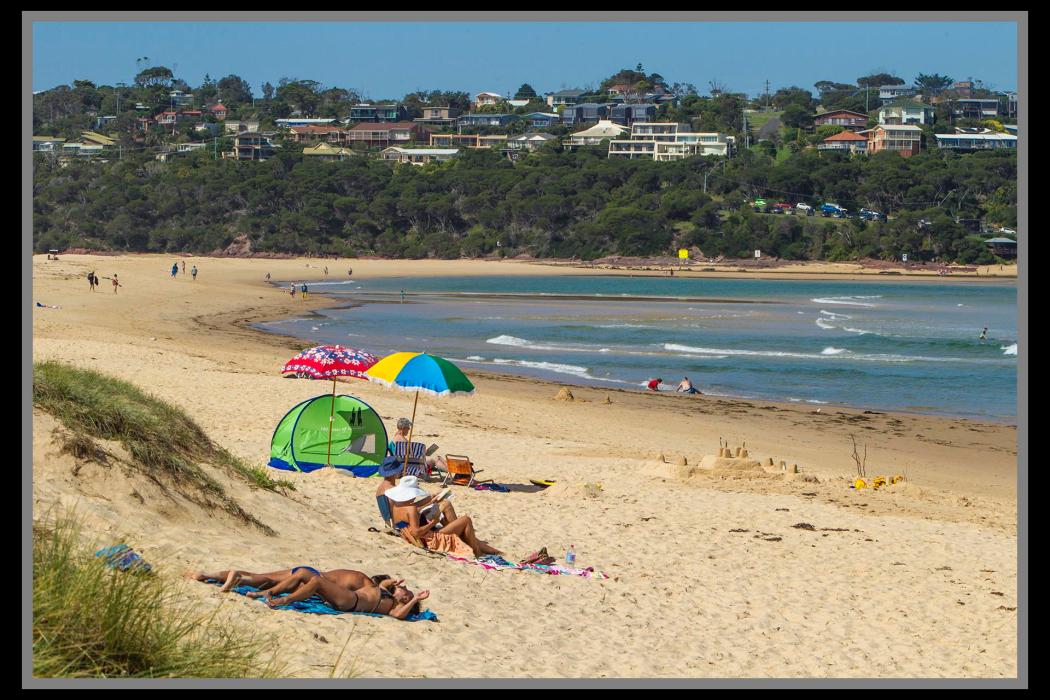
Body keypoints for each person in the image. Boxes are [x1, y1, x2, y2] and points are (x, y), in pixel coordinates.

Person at [387, 475, 500, 559]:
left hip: (415, 537)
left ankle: (472, 540)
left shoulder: (397, 505)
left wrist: (430, 501)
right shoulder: (410, 509)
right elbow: (416, 532)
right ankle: (477, 551)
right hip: (429, 539)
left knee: (446, 505)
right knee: (466, 520)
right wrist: (433, 522)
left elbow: (412, 514)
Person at [264, 569, 428, 619]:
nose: (403, 588)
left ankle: (285, 600)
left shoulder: (393, 607)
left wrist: (416, 599)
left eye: (405, 590)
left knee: (317, 581)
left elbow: (399, 616)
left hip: (351, 601)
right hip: (348, 596)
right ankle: (269, 592)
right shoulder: (387, 594)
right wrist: (394, 581)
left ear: (406, 599)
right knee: (304, 573)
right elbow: (384, 584)